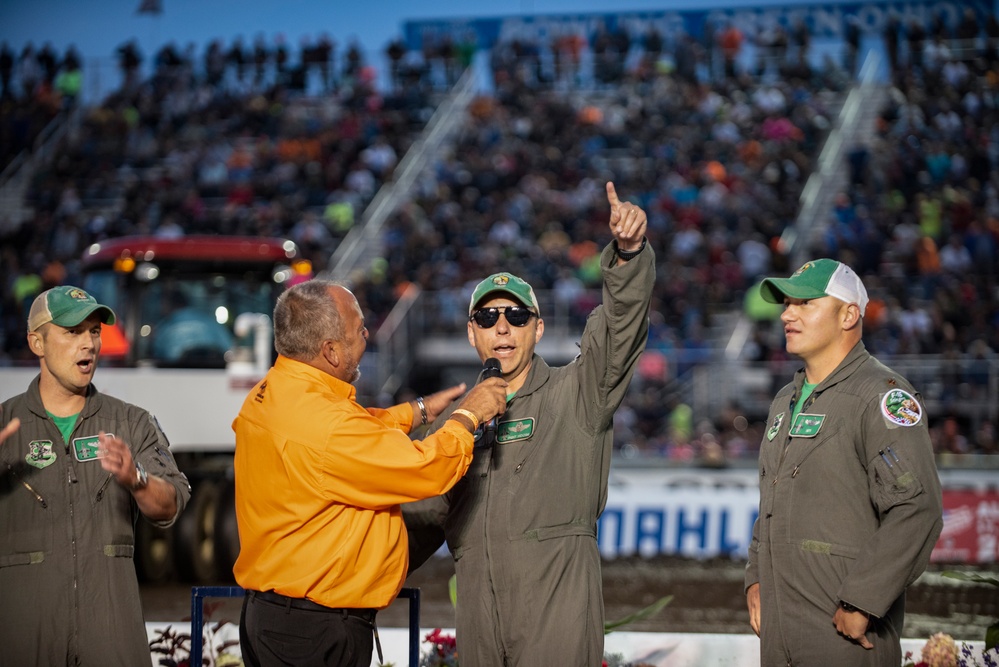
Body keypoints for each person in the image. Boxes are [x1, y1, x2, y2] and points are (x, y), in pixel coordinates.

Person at [403, 181, 655, 666]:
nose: (503, 326)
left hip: (556, 612)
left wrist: (628, 254)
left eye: (517, 316)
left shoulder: (579, 392)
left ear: (538, 329)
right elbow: (417, 515)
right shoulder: (455, 424)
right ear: (471, 332)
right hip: (479, 610)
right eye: (489, 316)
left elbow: (621, 328)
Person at [232, 279, 508, 667]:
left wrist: (420, 411)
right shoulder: (327, 425)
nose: (367, 335)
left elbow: (353, 430)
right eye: (359, 330)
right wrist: (468, 414)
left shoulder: (273, 391)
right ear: (329, 351)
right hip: (316, 630)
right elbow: (424, 469)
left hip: (274, 616)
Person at [745, 259, 943, 666]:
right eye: (786, 304)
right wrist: (755, 579)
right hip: (779, 629)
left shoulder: (881, 396)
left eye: (805, 303)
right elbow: (772, 499)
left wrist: (862, 601)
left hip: (842, 631)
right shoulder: (785, 399)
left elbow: (917, 508)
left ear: (849, 314)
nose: (787, 314)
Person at [0, 285, 191, 666]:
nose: (88, 343)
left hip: (111, 635)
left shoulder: (130, 422)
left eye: (94, 331)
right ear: (37, 343)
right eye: (73, 332)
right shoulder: (6, 425)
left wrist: (136, 478)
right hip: (22, 639)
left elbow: (171, 503)